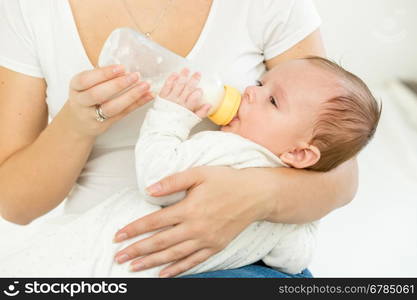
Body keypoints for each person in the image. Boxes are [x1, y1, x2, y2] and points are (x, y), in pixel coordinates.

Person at [0, 0, 358, 278]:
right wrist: (77, 124)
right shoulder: (32, 11)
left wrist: (255, 198)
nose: (251, 92)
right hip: (114, 249)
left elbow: (340, 170)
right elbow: (15, 204)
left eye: (271, 97)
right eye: (261, 85)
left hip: (233, 264)